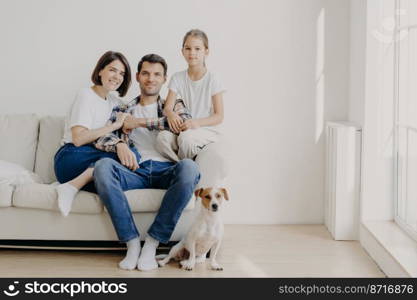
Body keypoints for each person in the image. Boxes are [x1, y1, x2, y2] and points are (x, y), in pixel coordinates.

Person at [93, 54, 200, 271]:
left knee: (190, 168)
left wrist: (140, 122)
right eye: (146, 73)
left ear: (164, 79)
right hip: (135, 170)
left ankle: (152, 243)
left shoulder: (174, 104)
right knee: (103, 166)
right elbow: (102, 137)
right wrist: (119, 146)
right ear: (138, 77)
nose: (151, 79)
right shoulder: (123, 109)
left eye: (157, 74)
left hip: (166, 170)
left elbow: (184, 124)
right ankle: (132, 243)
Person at [54, 51, 139, 216]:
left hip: (95, 161)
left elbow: (133, 114)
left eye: (122, 73)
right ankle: (70, 187)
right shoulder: (86, 95)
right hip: (71, 157)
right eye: (112, 70)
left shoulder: (115, 102)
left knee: (134, 154)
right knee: (117, 158)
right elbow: (79, 139)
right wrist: (115, 127)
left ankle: (80, 185)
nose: (117, 76)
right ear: (100, 71)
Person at [157, 29, 225, 162]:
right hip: (185, 128)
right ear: (182, 51)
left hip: (206, 129)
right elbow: (167, 108)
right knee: (162, 138)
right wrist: (171, 115)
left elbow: (219, 116)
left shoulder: (213, 79)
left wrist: (196, 123)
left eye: (197, 48)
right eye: (188, 48)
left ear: (206, 51)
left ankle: (186, 171)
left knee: (186, 138)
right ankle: (180, 166)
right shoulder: (178, 77)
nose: (192, 53)